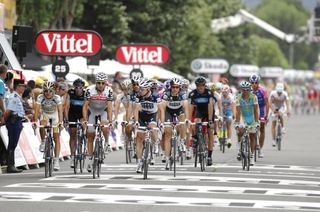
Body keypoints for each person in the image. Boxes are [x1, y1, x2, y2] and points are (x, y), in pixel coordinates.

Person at [82, 72, 113, 172]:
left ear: (106, 83)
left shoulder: (109, 91)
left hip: (103, 111)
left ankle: (107, 142)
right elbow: (85, 106)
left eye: (102, 83)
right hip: (92, 112)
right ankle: (90, 159)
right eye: (98, 83)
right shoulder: (89, 90)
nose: (100, 85)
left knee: (104, 126)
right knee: (90, 136)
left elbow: (110, 106)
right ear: (96, 82)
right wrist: (85, 119)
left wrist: (110, 120)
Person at [133, 78, 162, 173]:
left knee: (153, 129)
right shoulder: (138, 96)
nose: (139, 90)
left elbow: (161, 110)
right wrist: (136, 121)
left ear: (148, 89)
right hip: (142, 116)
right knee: (139, 139)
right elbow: (136, 109)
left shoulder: (155, 96)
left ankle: (156, 143)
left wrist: (160, 122)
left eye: (142, 89)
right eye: (139, 88)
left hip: (152, 116)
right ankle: (139, 162)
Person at [33, 81, 63, 171]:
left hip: (55, 116)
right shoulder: (40, 97)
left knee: (56, 138)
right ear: (43, 91)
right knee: (42, 124)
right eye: (46, 91)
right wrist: (35, 121)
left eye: (50, 91)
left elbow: (60, 111)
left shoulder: (57, 98)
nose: (48, 93)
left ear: (54, 91)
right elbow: (37, 110)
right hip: (45, 114)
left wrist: (61, 122)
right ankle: (43, 141)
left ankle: (56, 160)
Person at [161, 77, 188, 170]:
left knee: (183, 119)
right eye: (173, 87)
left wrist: (187, 119)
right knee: (168, 133)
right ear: (170, 87)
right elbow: (162, 108)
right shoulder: (166, 94)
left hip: (179, 111)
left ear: (180, 87)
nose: (175, 89)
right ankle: (168, 159)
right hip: (168, 112)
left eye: (177, 87)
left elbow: (186, 107)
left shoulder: (183, 94)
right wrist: (162, 122)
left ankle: (182, 141)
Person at [188, 76, 215, 166]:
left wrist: (210, 120)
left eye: (202, 85)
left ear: (204, 85)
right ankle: (195, 136)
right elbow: (190, 108)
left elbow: (210, 105)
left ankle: (209, 156)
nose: (200, 87)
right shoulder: (193, 94)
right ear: (196, 86)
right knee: (196, 121)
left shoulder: (209, 92)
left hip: (209, 111)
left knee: (210, 132)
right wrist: (188, 120)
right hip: (199, 111)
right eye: (198, 85)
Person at [4, 79, 26, 173]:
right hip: (13, 121)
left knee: (13, 143)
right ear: (18, 86)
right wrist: (4, 121)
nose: (24, 88)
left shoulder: (17, 97)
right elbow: (8, 111)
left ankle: (11, 165)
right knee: (12, 143)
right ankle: (10, 166)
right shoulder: (14, 97)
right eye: (23, 86)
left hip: (17, 121)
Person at [234, 81, 259, 165]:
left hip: (251, 117)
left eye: (247, 89)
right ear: (241, 90)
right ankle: (239, 150)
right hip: (242, 117)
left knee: (252, 136)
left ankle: (251, 156)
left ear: (249, 90)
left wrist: (257, 122)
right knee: (240, 132)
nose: (245, 91)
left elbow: (256, 111)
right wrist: (237, 123)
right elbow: (237, 112)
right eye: (243, 89)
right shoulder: (237, 97)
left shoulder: (254, 97)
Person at [64, 78, 85, 168]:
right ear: (74, 87)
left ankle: (84, 145)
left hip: (82, 113)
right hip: (72, 113)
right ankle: (72, 157)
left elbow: (87, 107)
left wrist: (85, 119)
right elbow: (66, 107)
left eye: (80, 87)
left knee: (85, 127)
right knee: (73, 133)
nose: (78, 89)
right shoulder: (70, 93)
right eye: (76, 87)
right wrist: (66, 119)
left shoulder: (86, 93)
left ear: (82, 87)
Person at [249, 74, 269, 158]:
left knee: (262, 127)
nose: (254, 84)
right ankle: (251, 148)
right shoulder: (247, 90)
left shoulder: (263, 90)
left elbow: (267, 103)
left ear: (258, 82)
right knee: (250, 130)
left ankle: (260, 149)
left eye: (256, 82)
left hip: (261, 108)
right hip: (251, 108)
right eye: (252, 82)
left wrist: (266, 115)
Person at [269, 82, 291, 146]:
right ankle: (273, 140)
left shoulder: (285, 94)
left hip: (281, 107)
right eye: (278, 93)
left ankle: (283, 127)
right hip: (274, 106)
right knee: (273, 123)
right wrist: (273, 110)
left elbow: (287, 103)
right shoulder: (273, 93)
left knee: (280, 115)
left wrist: (288, 111)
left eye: (280, 92)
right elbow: (269, 103)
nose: (279, 94)